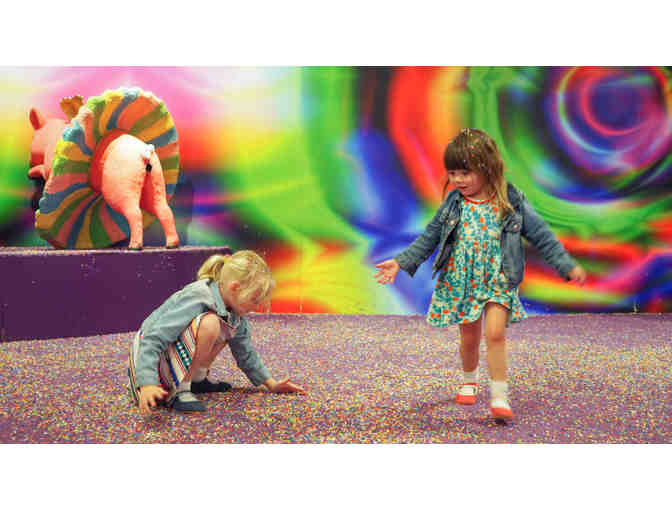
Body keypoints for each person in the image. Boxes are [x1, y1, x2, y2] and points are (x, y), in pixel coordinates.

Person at [374, 128, 586, 421]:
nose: (458, 179)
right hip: (462, 280)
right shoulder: (454, 203)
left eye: (465, 172)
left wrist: (565, 264)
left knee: (495, 334)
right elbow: (429, 237)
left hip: (499, 278)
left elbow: (541, 234)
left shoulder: (510, 200)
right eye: (453, 173)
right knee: (470, 338)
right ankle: (469, 380)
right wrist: (401, 262)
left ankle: (499, 397)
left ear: (487, 168)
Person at [127, 250, 306, 415]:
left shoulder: (234, 312)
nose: (257, 306)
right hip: (148, 367)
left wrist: (271, 384)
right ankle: (181, 390)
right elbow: (153, 338)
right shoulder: (199, 296)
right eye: (254, 299)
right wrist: (147, 383)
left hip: (166, 366)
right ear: (234, 288)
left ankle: (197, 380)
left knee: (225, 326)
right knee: (211, 323)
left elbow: (245, 353)